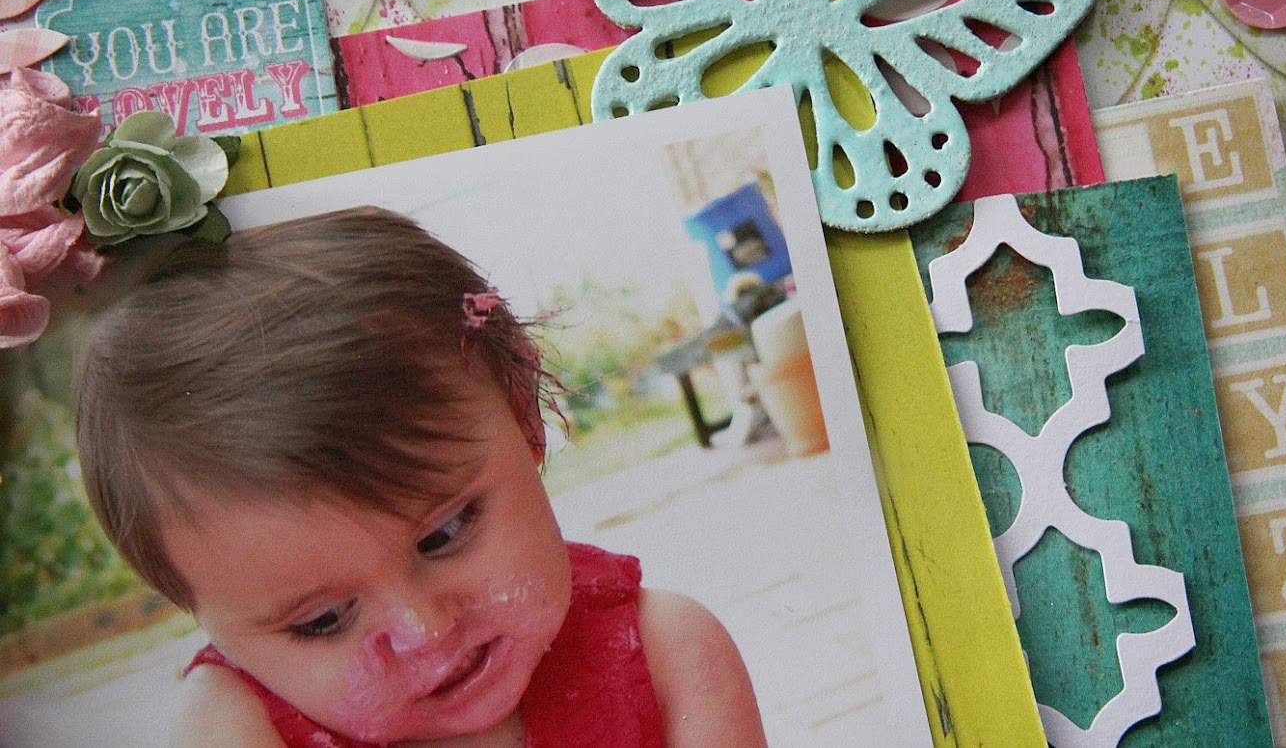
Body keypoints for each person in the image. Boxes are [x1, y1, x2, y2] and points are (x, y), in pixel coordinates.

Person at [74, 206, 768, 748]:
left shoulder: (668, 656)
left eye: (444, 533)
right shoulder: (234, 730)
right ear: (209, 621)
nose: (425, 630)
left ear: (523, 412)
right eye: (323, 621)